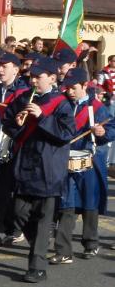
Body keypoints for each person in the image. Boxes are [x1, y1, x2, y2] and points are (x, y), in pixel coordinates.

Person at [2, 57, 76, 283]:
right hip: (24, 163)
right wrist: (17, 122)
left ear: (52, 78)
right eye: (32, 76)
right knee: (19, 212)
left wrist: (43, 117)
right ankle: (39, 245)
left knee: (44, 218)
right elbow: (7, 122)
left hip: (48, 166)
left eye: (39, 77)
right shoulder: (24, 97)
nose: (34, 80)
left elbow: (65, 134)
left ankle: (37, 266)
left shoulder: (61, 103)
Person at [50, 68, 115, 264]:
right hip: (65, 160)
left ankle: (90, 243)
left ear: (85, 86)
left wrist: (102, 132)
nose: (69, 91)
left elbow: (111, 130)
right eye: (67, 87)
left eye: (74, 87)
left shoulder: (97, 107)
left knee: (90, 203)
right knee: (66, 205)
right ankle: (63, 250)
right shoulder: (62, 104)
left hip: (90, 160)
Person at [0, 53, 29, 249]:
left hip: (17, 146)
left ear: (16, 69)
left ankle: (15, 228)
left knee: (15, 194)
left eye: (5, 66)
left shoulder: (26, 92)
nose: (0, 69)